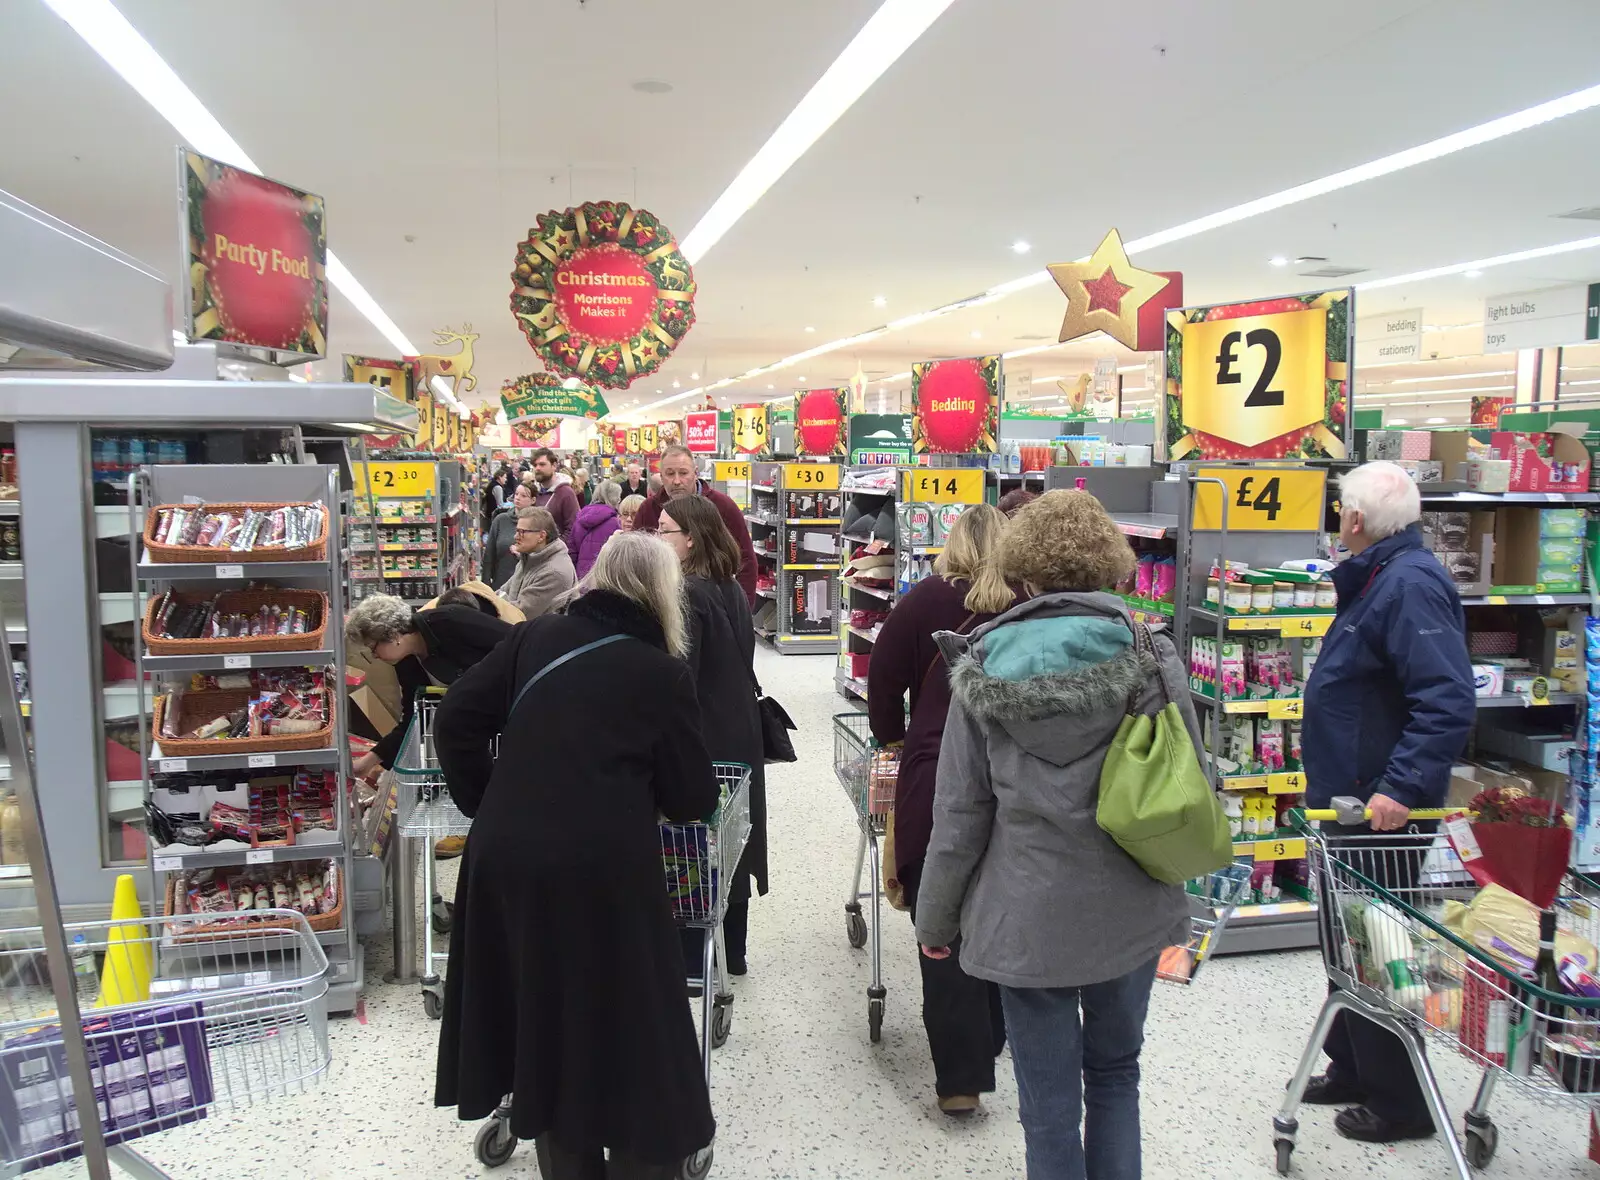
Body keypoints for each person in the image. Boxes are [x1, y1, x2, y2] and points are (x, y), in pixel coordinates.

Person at [915, 490, 1199, 1180]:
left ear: (1022, 572)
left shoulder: (978, 664)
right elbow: (1189, 782)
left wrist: (936, 917)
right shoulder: (1152, 654)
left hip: (1025, 914)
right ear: (1111, 566)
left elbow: (960, 815)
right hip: (1130, 904)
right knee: (1115, 1075)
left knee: (1045, 1108)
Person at [432, 531, 718, 1179]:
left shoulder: (533, 638)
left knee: (544, 1018)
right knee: (631, 1018)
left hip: (508, 859)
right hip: (604, 870)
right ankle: (645, 1155)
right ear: (663, 595)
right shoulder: (660, 673)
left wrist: (490, 804)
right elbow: (694, 794)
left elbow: (455, 721)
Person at [1298, 461, 1475, 1144]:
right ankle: (1351, 1063)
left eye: (1340, 509)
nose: (1338, 521)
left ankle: (1402, 1104)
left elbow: (1447, 698)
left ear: (1356, 520)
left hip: (1379, 806)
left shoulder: (1408, 585)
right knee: (1347, 938)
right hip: (1351, 797)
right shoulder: (1383, 576)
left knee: (1377, 945)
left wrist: (1400, 786)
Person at [867, 503, 1019, 1115]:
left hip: (935, 777)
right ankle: (999, 1033)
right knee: (1003, 909)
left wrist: (891, 737)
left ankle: (960, 1082)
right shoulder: (1029, 600)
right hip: (1014, 776)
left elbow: (882, 678)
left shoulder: (926, 598)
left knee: (942, 922)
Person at [657, 495, 765, 975]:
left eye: (664, 531)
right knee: (733, 841)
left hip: (705, 734)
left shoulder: (686, 593)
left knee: (694, 844)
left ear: (691, 538)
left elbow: (681, 679)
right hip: (738, 728)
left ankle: (694, 957)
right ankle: (733, 950)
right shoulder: (729, 588)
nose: (658, 539)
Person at [345, 595, 513, 782]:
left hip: (520, 710)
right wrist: (368, 762)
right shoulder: (406, 661)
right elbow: (412, 717)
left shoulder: (450, 621)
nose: (373, 656)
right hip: (483, 732)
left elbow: (517, 643)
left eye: (372, 647)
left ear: (392, 635)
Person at [635, 445, 758, 606]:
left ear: (695, 473)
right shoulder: (648, 509)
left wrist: (742, 610)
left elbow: (746, 560)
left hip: (714, 608)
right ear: (661, 476)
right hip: (661, 607)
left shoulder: (723, 506)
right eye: (670, 474)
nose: (677, 481)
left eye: (684, 473)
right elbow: (634, 560)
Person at [499, 506, 576, 620]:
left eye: (522, 532)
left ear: (541, 536)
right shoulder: (529, 557)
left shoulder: (554, 573)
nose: (516, 537)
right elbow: (504, 591)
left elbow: (520, 614)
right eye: (517, 531)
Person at [483, 480, 532, 590]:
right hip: (500, 583)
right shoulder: (501, 520)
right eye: (516, 494)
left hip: (526, 586)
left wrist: (522, 554)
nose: (518, 498)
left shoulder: (538, 524)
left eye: (524, 496)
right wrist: (485, 585)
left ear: (533, 500)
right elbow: (489, 554)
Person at [570, 479, 623, 579]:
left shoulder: (581, 518)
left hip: (581, 575)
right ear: (615, 499)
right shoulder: (615, 522)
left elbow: (572, 550)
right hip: (603, 576)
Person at [530, 447, 581, 548]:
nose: (537, 468)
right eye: (535, 465)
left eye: (542, 464)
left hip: (555, 555)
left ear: (554, 465)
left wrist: (554, 549)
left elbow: (573, 527)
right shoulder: (533, 491)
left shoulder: (566, 493)